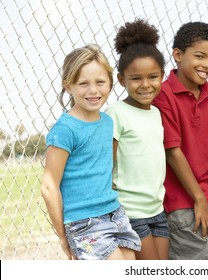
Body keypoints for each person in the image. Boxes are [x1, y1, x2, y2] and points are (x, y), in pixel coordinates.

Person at [40, 44, 141, 260]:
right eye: (83, 83)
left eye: (100, 82)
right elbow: (49, 186)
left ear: (111, 83)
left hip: (115, 213)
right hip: (84, 222)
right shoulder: (65, 130)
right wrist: (62, 235)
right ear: (68, 86)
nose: (93, 90)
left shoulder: (107, 122)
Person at [152, 21, 208, 260]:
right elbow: (172, 151)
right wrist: (198, 198)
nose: (207, 65)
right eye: (200, 56)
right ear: (178, 55)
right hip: (181, 202)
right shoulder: (163, 95)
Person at [105, 19, 169, 260]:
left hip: (157, 208)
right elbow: (106, 165)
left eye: (152, 77)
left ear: (162, 76)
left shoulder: (156, 113)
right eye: (136, 79)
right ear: (122, 80)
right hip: (130, 211)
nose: (145, 85)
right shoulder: (116, 114)